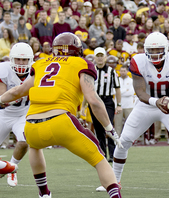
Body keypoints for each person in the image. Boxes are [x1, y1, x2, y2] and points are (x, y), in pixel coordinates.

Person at [0, 32, 122, 198]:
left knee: (35, 146)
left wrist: (0, 100)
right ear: (77, 50)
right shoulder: (81, 63)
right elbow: (93, 100)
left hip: (32, 126)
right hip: (61, 121)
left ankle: (44, 193)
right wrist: (109, 128)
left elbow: (18, 91)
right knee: (99, 157)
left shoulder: (41, 63)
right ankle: (115, 194)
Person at [96, 32, 169, 192]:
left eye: (158, 50)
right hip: (145, 105)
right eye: (151, 50)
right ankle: (114, 181)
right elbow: (140, 92)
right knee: (124, 140)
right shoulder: (138, 61)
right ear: (145, 50)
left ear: (166, 49)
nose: (154, 54)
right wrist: (157, 101)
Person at [0, 43, 33, 187]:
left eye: (24, 60)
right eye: (18, 59)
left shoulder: (36, 70)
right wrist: (13, 98)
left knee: (24, 140)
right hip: (3, 114)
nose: (21, 63)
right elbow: (2, 98)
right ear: (11, 59)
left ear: (30, 60)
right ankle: (5, 167)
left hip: (23, 114)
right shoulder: (4, 69)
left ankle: (12, 168)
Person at [87, 47, 122, 163]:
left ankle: (112, 154)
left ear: (105, 57)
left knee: (109, 127)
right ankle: (102, 153)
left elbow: (117, 89)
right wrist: (83, 105)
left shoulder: (111, 71)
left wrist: (119, 104)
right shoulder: (91, 71)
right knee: (98, 128)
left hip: (107, 101)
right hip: (94, 101)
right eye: (98, 56)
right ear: (95, 58)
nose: (100, 58)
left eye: (102, 55)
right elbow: (87, 89)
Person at [114, 65, 135, 136]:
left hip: (129, 105)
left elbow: (131, 92)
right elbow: (114, 91)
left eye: (124, 71)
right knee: (117, 124)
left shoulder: (131, 81)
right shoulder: (116, 80)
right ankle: (117, 139)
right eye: (121, 71)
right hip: (118, 105)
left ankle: (130, 138)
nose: (122, 72)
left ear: (127, 71)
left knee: (130, 124)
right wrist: (125, 90)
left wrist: (119, 92)